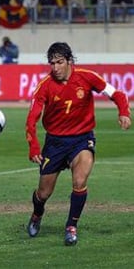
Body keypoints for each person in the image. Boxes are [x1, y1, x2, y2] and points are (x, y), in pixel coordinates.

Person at [25, 42, 131, 246]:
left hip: (82, 139)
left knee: (80, 181)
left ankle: (71, 226)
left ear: (69, 61)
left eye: (59, 62)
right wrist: (34, 147)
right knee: (44, 193)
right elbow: (31, 120)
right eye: (51, 63)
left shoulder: (87, 76)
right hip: (55, 143)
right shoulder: (44, 86)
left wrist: (123, 112)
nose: (55, 68)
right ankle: (37, 214)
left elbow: (117, 94)